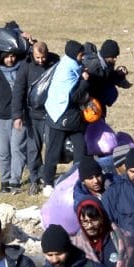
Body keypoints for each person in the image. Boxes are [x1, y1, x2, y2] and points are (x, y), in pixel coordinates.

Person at [40, 40, 93, 187]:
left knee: (81, 148)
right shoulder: (68, 71)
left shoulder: (69, 64)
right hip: (61, 116)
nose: (82, 58)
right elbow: (75, 96)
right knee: (53, 152)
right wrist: (84, 81)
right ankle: (48, 183)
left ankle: (79, 178)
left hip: (70, 118)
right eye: (81, 55)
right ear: (74, 55)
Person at [13, 41, 59, 194]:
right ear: (33, 54)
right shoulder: (25, 66)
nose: (41, 61)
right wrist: (17, 115)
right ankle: (34, 178)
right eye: (38, 58)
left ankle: (47, 179)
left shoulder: (55, 62)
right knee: (33, 149)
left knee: (51, 148)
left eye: (43, 57)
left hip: (51, 114)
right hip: (32, 115)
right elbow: (19, 91)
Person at [0, 47, 28, 193]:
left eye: (13, 56)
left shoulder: (22, 69)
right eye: (7, 57)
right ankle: (4, 181)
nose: (10, 60)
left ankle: (14, 181)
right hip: (2, 117)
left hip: (20, 116)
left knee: (17, 149)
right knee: (3, 151)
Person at [103, 146, 134, 240]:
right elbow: (107, 227)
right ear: (126, 169)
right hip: (128, 249)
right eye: (132, 171)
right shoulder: (112, 194)